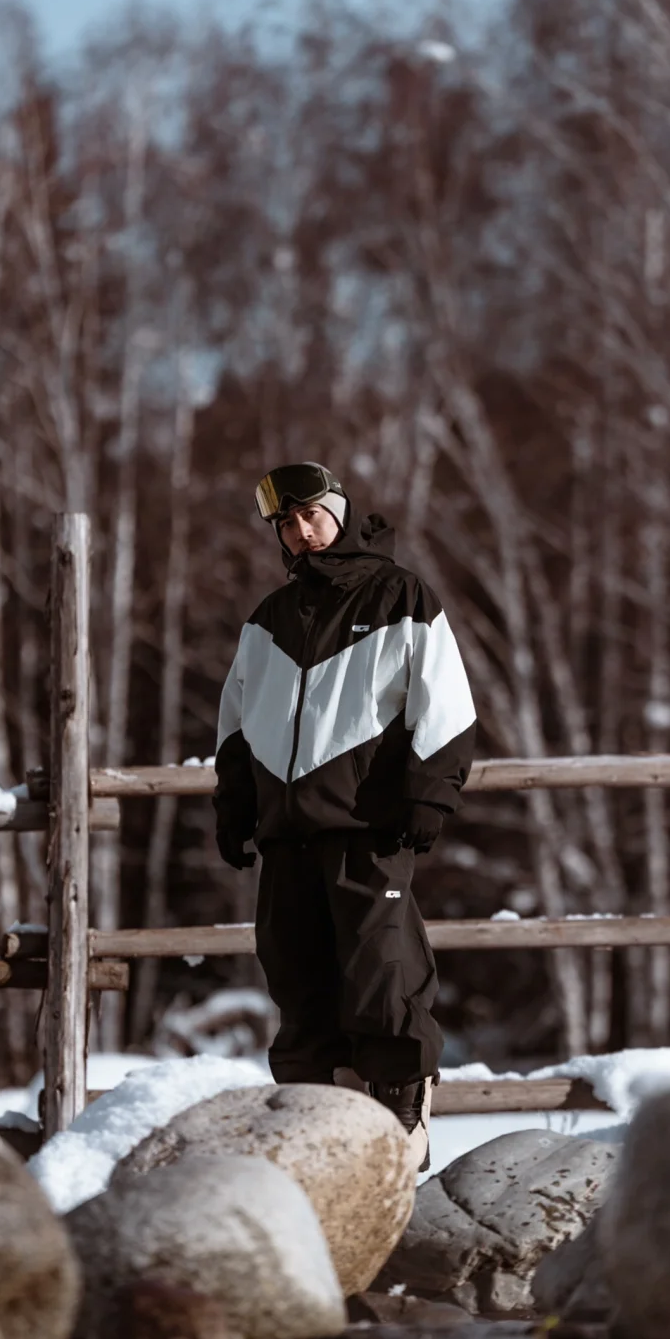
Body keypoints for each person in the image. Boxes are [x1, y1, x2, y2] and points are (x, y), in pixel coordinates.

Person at [213, 461, 476, 1169]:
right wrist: (235, 805)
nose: (303, 532)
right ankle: (312, 1134)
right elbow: (238, 722)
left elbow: (445, 704)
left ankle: (399, 1134)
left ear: (342, 513)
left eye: (313, 516)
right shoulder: (268, 620)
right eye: (288, 524)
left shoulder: (400, 597)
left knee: (381, 977)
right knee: (296, 981)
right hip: (287, 835)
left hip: (370, 827)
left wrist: (428, 794)